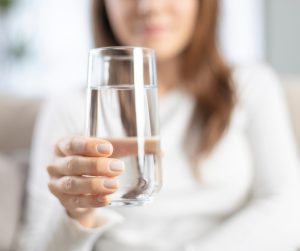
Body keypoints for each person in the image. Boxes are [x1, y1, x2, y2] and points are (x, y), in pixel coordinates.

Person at [19, 0, 300, 250]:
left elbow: (289, 210)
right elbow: (35, 245)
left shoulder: (249, 85)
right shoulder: (71, 108)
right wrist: (76, 215)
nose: (149, 6)